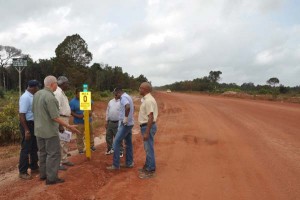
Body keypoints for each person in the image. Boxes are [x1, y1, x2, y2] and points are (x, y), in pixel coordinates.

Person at [32, 75, 79, 185]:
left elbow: (34, 111)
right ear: (53, 84)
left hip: (38, 130)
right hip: (49, 131)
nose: (56, 86)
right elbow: (55, 117)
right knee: (53, 154)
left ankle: (43, 175)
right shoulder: (50, 97)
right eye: (56, 84)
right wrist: (69, 127)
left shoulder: (37, 94)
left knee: (42, 153)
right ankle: (51, 178)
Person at [107, 87, 134, 170]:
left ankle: (115, 165)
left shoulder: (123, 98)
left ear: (118, 93)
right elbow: (133, 107)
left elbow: (128, 107)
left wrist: (125, 118)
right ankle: (129, 163)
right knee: (128, 143)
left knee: (116, 143)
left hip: (125, 124)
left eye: (115, 94)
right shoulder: (128, 96)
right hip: (130, 123)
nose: (115, 96)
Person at [18, 80, 40, 180]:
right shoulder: (25, 97)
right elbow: (22, 115)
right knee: (26, 149)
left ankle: (34, 167)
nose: (38, 89)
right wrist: (26, 130)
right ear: (33, 87)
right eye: (37, 87)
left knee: (34, 147)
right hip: (27, 125)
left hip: (33, 124)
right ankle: (22, 171)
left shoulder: (32, 96)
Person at [138, 82, 158, 179]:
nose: (139, 89)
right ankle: (147, 166)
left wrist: (146, 132)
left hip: (147, 127)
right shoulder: (146, 99)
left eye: (140, 88)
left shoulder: (149, 100)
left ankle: (150, 170)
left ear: (145, 89)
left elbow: (151, 117)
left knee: (149, 148)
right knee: (147, 148)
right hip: (146, 126)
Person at [54, 76, 74, 171]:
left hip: (65, 118)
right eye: (67, 83)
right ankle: (59, 162)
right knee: (60, 141)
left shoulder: (61, 92)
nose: (68, 85)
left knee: (65, 140)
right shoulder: (58, 93)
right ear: (63, 83)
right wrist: (60, 124)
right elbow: (56, 109)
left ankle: (64, 159)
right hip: (61, 119)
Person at [69, 88, 96, 154]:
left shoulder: (86, 98)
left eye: (81, 94)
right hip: (78, 122)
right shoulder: (72, 102)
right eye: (79, 94)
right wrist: (78, 116)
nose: (80, 95)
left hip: (88, 120)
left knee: (90, 133)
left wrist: (91, 112)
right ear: (75, 94)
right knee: (79, 135)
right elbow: (71, 111)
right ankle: (80, 149)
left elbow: (92, 104)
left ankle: (91, 145)